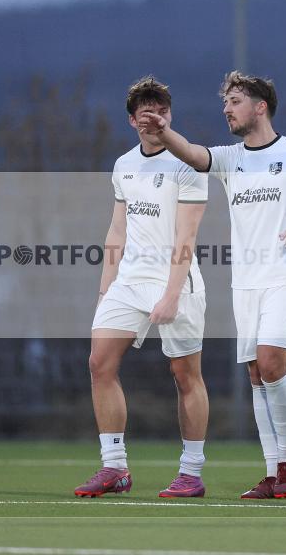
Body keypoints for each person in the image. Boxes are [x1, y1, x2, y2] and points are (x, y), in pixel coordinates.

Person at [139, 71, 286, 499]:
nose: (227, 110)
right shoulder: (232, 158)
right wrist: (165, 131)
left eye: (234, 101)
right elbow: (196, 156)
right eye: (225, 103)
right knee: (256, 374)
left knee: (272, 363)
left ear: (260, 107)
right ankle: (273, 472)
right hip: (246, 282)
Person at [74, 77, 210, 498]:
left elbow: (186, 239)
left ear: (169, 115)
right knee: (99, 363)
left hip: (176, 279)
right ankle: (115, 468)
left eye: (162, 111)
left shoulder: (188, 164)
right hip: (128, 281)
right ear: (133, 120)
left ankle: (191, 472)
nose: (155, 118)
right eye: (146, 112)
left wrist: (171, 294)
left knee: (185, 374)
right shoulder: (123, 165)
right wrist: (104, 292)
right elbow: (116, 231)